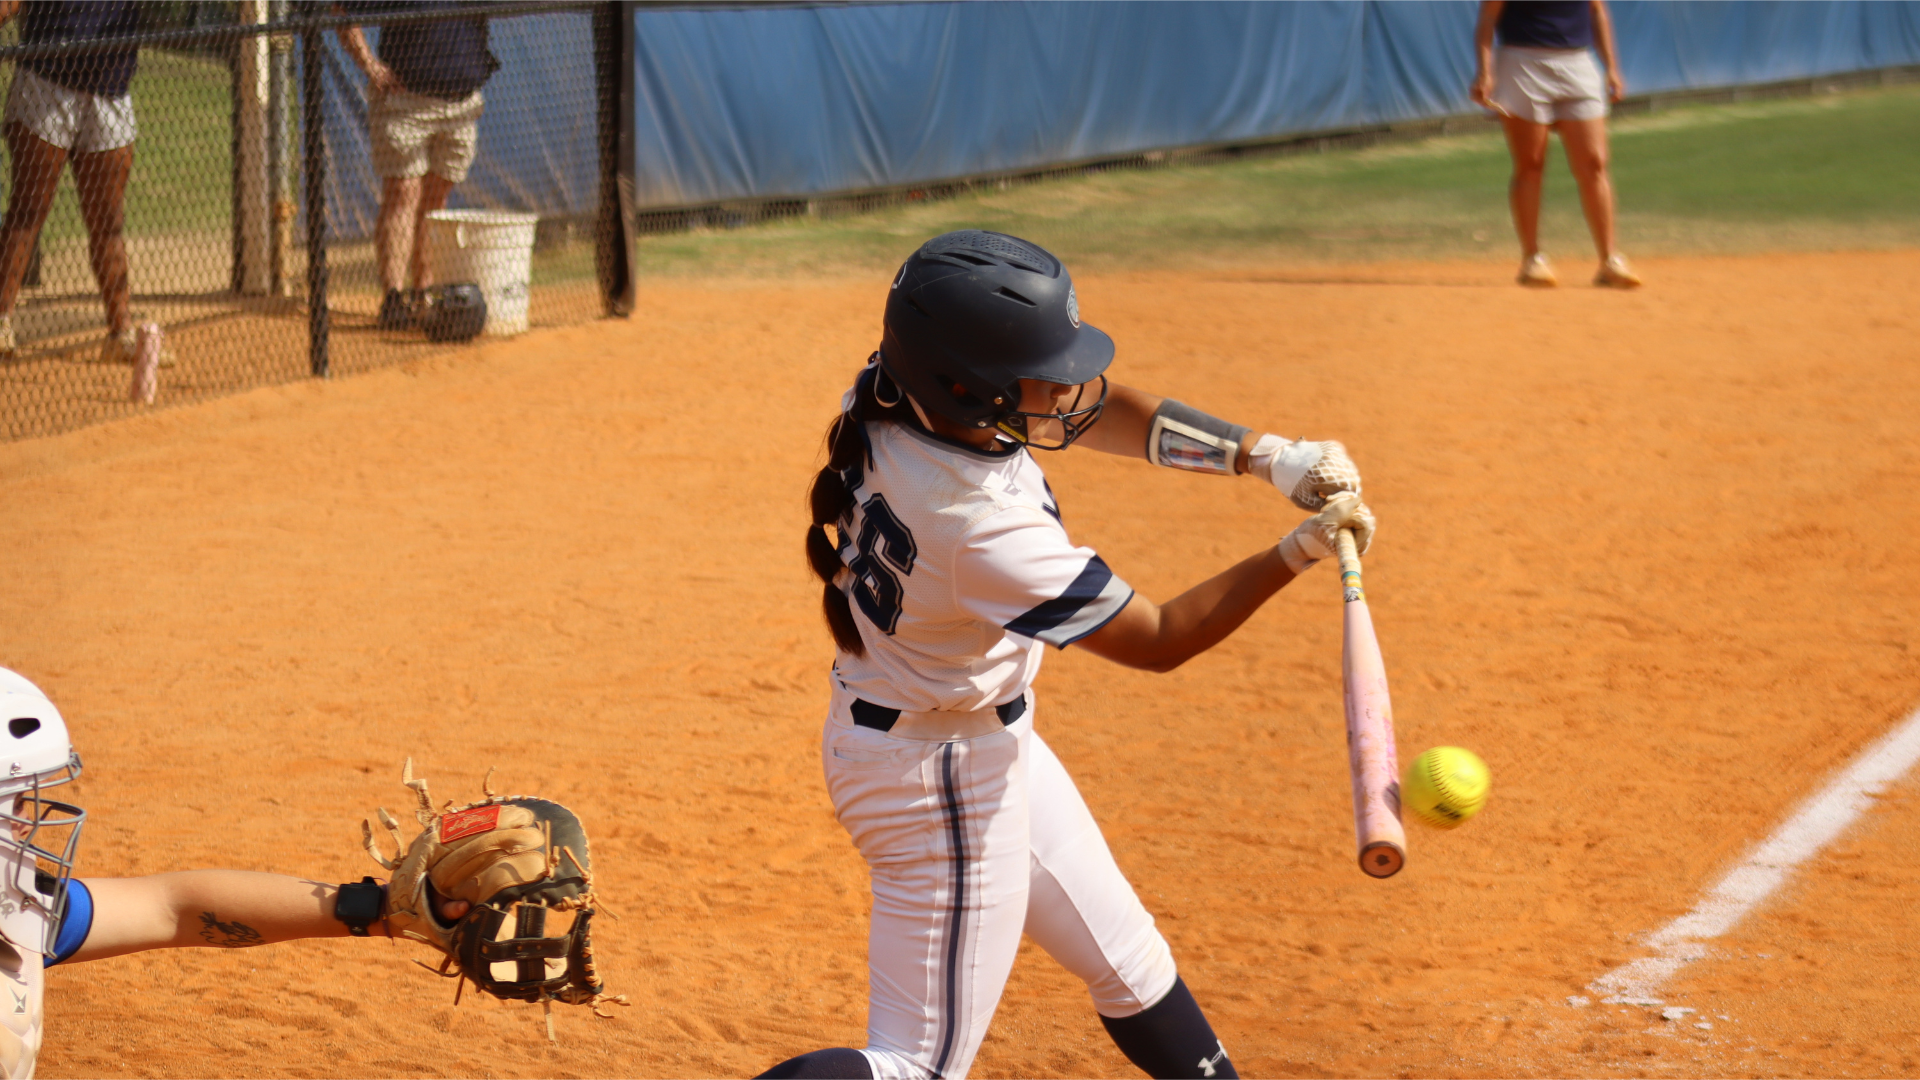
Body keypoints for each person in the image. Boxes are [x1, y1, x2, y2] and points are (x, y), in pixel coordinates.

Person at [762, 231, 1376, 1080]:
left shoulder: (899, 394)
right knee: (915, 1066)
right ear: (971, 389)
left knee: (1129, 961)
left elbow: (1104, 408)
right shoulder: (980, 529)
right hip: (934, 778)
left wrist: (1263, 456)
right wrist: (1296, 552)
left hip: (967, 740)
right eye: (1041, 372)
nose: (1069, 387)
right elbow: (1161, 640)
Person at [0, 666, 470, 1077]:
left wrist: (385, 909)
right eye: (16, 802)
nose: (29, 824)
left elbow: (175, 908)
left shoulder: (18, 914)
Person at [0, 0, 163, 365]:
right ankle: (1, 319)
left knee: (108, 223)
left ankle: (119, 333)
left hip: (111, 84)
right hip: (48, 80)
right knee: (29, 208)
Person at [336, 2, 498, 330]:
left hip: (461, 103)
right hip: (404, 102)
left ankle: (423, 295)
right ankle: (394, 298)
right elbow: (342, 10)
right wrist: (370, 65)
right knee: (402, 194)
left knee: (436, 200)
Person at [1470, 0, 1642, 289]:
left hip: (1578, 62)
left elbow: (1597, 11)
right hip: (1522, 62)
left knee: (1594, 163)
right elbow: (1488, 18)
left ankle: (1610, 260)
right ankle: (1532, 258)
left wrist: (1612, 67)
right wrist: (1485, 72)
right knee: (1531, 164)